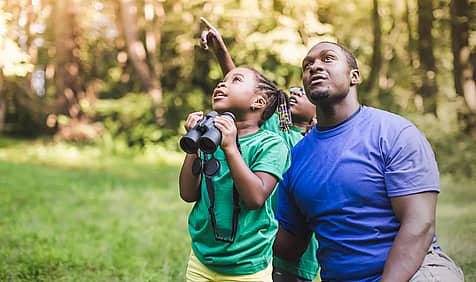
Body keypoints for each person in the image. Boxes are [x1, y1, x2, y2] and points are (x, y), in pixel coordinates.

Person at [273, 41, 465, 281]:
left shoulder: (394, 132)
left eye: (328, 59)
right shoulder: (296, 157)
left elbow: (420, 224)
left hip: (416, 271)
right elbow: (291, 246)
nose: (315, 67)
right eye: (307, 65)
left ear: (354, 76)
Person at [199, 17, 319, 282]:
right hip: (259, 237)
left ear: (317, 112)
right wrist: (222, 54)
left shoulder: (315, 141)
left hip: (296, 250)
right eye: (295, 88)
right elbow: (243, 93)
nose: (297, 92)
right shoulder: (276, 126)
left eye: (306, 93)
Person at [179, 65, 291, 281]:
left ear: (258, 102)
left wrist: (230, 148)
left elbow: (255, 198)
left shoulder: (271, 144)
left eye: (236, 80)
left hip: (248, 265)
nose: (222, 83)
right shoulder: (210, 140)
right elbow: (188, 194)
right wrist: (193, 145)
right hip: (203, 259)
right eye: (223, 80)